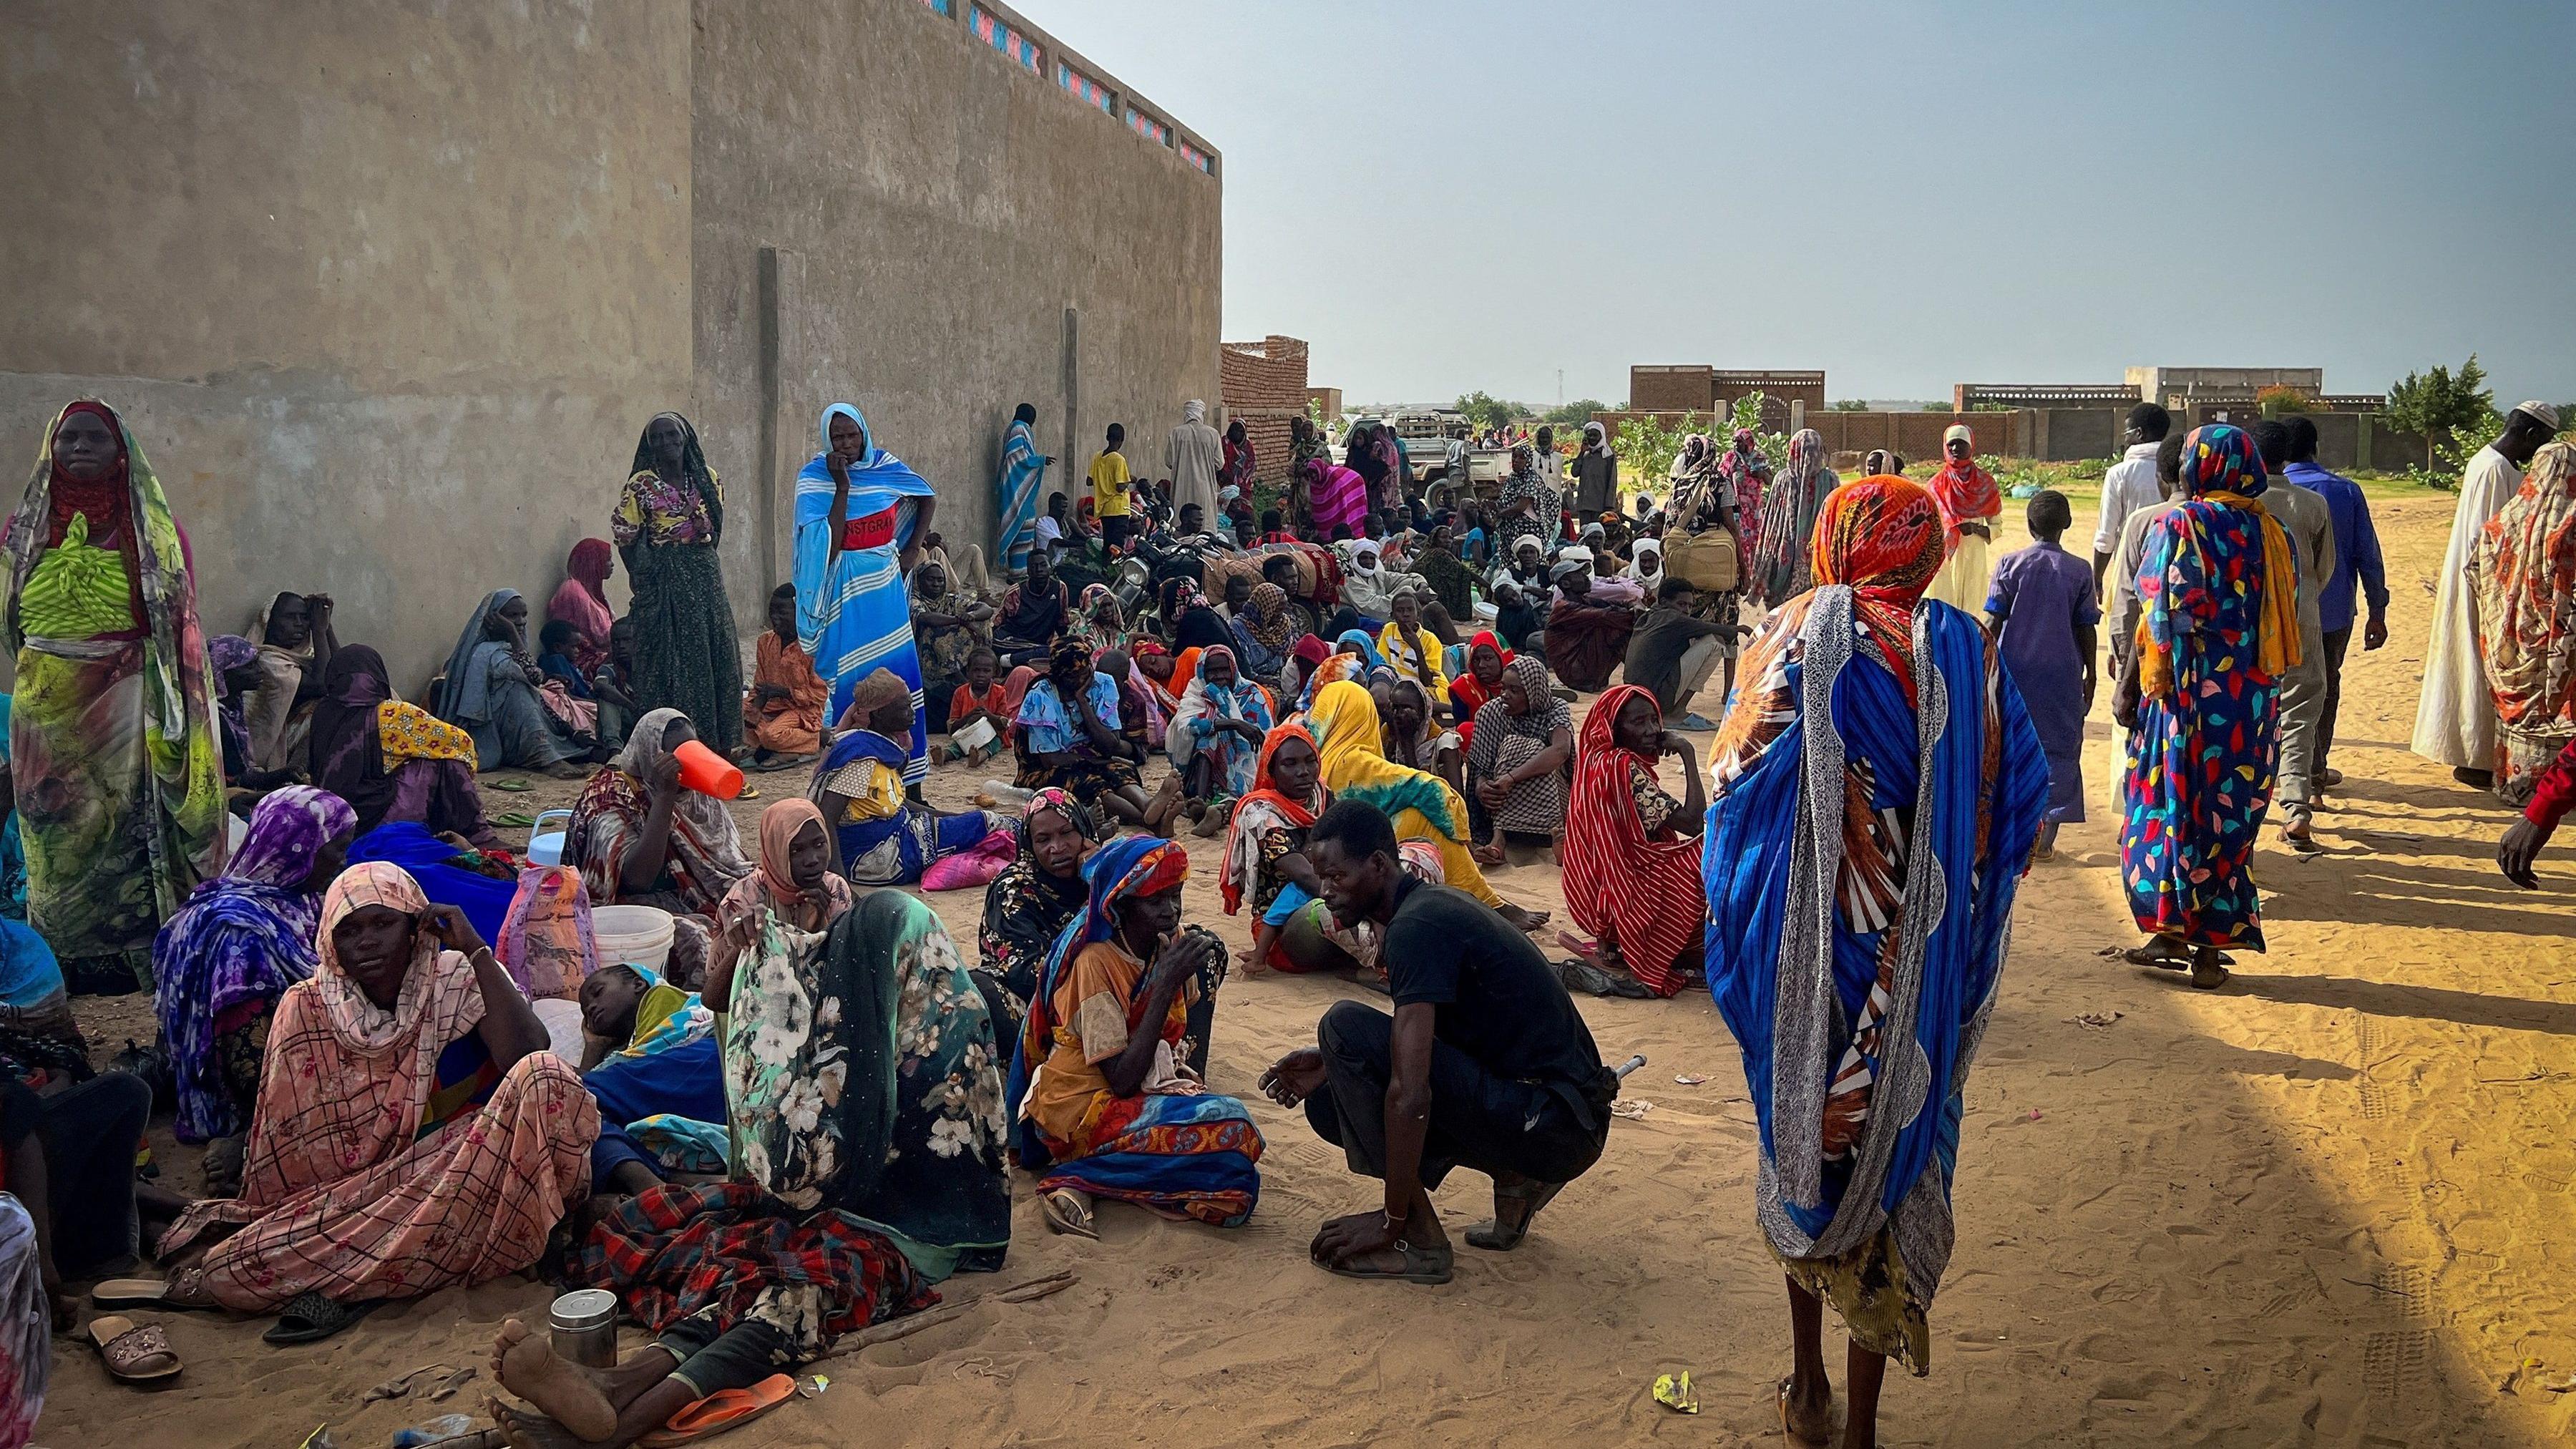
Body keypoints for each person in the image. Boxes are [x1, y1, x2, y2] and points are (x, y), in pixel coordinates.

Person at [1702, 475, 2048, 1445]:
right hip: (1915, 956)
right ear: (1927, 548)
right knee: (1893, 1151)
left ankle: (1806, 1387)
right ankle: (1860, 1424)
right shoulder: (1964, 648)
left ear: (1834, 539)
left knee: (1805, 1138)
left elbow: (1728, 792)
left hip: (1807, 950)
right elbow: (2017, 807)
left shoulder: (1786, 633)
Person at [501, 892, 1006, 1448]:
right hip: (850, 1209)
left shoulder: (950, 1037)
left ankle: (619, 1423)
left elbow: (934, 1165)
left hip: (919, 1235)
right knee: (757, 1270)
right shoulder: (881, 1014)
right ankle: (617, 1385)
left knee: (804, 1294)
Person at [155, 862, 595, 1322]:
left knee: (547, 1077)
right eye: (350, 930)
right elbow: (295, 1160)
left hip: (458, 1169)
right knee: (235, 1267)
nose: (367, 941)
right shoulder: (305, 1008)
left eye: (384, 923)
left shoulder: (454, 977)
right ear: (331, 942)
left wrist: (476, 950)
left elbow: (525, 1053)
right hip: (359, 1199)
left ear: (415, 929)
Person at [1257, 801, 1616, 1284]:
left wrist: (1390, 1220)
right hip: (1565, 1117)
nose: (1326, 893)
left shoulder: (1415, 928)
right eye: (1322, 879)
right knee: (1331, 1096)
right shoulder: (1428, 908)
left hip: (1555, 1123)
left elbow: (1412, 1093)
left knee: (1342, 1025)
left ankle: (1419, 1239)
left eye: (1337, 877)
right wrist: (1336, 1065)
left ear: (1378, 865)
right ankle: (1517, 1179)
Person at [4, 399, 226, 996]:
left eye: (94, 439)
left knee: (118, 827)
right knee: (52, 834)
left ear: (121, 451)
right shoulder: (23, 532)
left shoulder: (154, 534)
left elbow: (178, 622)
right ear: (51, 448)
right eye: (68, 438)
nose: (79, 448)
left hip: (123, 705)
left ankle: (126, 957)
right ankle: (62, 956)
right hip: (42, 709)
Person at [2112, 426, 2296, 987]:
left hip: (2189, 696)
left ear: (2201, 468)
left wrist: (2131, 683)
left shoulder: (2182, 524)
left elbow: (2160, 612)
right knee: (2227, 818)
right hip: (2251, 701)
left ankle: (2171, 926)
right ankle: (2205, 951)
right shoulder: (2273, 532)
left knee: (2174, 808)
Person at [1006, 836, 1262, 1237]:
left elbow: (1175, 1034)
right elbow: (1121, 1080)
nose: (1171, 911)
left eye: (1175, 896)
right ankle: (1074, 1177)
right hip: (1081, 1106)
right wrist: (1164, 985)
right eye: (1156, 901)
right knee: (1233, 1126)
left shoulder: (1167, 943)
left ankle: (1092, 1180)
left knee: (1235, 1175)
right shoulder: (1096, 963)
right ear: (1121, 906)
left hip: (1141, 1086)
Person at [150, 786, 356, 1192]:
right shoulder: (239, 929)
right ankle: (254, 1136)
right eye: (336, 848)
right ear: (299, 847)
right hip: (249, 1084)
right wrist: (262, 1119)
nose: (343, 860)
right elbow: (239, 1041)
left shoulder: (295, 899)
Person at [1309, 679, 1548, 931]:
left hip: (1333, 857)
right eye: (1394, 708)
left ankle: (1481, 898)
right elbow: (1430, 789)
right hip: (1355, 860)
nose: (1398, 715)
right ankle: (1484, 900)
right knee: (1421, 817)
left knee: (1415, 813)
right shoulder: (1353, 759)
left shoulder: (1318, 760)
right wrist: (1462, 830)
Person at [2416, 403, 2563, 788]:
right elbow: (2493, 538)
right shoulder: (2497, 469)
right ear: (2531, 436)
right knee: (2482, 669)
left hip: (2477, 581)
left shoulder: (2488, 461)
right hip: (2483, 586)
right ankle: (2478, 757)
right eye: (2541, 443)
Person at [795, 403, 937, 781]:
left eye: (851, 435)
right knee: (854, 676)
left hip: (886, 584)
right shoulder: (815, 478)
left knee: (899, 671)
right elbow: (831, 543)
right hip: (847, 586)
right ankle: (856, 769)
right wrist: (842, 485)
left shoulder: (884, 465)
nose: (845, 444)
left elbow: (926, 496)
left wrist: (911, 549)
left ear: (863, 433)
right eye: (837, 436)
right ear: (827, 438)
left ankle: (909, 775)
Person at [613, 412, 743, 758]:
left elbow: (715, 529)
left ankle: (717, 742)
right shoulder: (640, 485)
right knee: (668, 656)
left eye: (672, 435)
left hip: (704, 575)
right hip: (663, 577)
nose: (665, 443)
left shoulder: (707, 479)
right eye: (657, 437)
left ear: (686, 439)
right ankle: (669, 744)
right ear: (649, 444)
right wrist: (646, 579)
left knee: (715, 650)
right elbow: (626, 539)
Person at [1563, 685, 1706, 995]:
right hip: (1625, 891)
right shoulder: (1622, 768)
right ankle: (1667, 945)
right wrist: (1688, 754)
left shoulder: (1593, 762)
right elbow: (1695, 824)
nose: (1652, 731)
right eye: (1638, 722)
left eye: (1654, 720)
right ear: (1613, 728)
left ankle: (1618, 940)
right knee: (1710, 855)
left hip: (1592, 892)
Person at [1985, 490, 2099, 858]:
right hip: (2063, 675)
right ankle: (2045, 841)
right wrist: (2092, 674)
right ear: (2066, 524)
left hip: (2014, 673)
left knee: (2011, 744)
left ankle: (2014, 831)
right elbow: (2086, 628)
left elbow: (1992, 619)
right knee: (2060, 748)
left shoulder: (2009, 564)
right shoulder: (2081, 570)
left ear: (2030, 525)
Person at [811, 669, 1003, 886]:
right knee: (988, 824)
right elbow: (826, 817)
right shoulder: (861, 758)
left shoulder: (881, 747)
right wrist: (840, 883)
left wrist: (949, 816)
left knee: (976, 825)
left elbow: (898, 804)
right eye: (904, 708)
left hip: (893, 836)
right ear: (880, 714)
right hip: (876, 856)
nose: (912, 712)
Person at [570, 708, 754, 927]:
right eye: (675, 756)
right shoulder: (609, 796)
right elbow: (637, 879)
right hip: (632, 907)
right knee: (699, 936)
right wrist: (664, 797)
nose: (685, 764)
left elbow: (728, 865)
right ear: (650, 753)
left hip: (693, 895)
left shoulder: (696, 794)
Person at [2283, 416, 2387, 790]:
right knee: (2323, 687)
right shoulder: (2345, 491)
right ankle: (2313, 767)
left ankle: (2282, 769)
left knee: (2276, 688)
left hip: (2274, 614)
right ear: (2316, 448)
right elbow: (2367, 555)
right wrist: (2378, 610)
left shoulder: (2265, 493)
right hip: (2332, 612)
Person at [2469, 441, 2576, 804]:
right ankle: (2554, 797)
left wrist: (2506, 607)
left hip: (2510, 644)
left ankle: (2515, 785)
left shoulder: (2506, 519)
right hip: (2560, 644)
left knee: (2518, 711)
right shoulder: (2571, 522)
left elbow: (2476, 566)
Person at [308, 645, 498, 847]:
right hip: (373, 820)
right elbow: (461, 742)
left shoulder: (322, 711)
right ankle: (474, 832)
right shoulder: (390, 715)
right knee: (444, 759)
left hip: (330, 816)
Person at [2248, 421, 2336, 847]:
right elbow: (2323, 569)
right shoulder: (2312, 505)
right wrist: (2299, 603)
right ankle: (2297, 803)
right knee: (2299, 712)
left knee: (2246, 716)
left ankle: (2245, 810)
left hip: (2246, 626)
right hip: (2301, 620)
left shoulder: (2237, 505)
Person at [975, 789, 1098, 1043]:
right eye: (1043, 840)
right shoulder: (1013, 890)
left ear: (1084, 832)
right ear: (1030, 845)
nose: (1057, 848)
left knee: (1195, 950)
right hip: (1041, 1005)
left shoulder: (1103, 874)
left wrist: (1099, 879)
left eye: (1067, 833)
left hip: (1108, 990)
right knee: (981, 990)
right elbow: (1023, 973)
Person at [434, 589, 586, 778]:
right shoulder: (487, 654)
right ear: (494, 620)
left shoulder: (507, 650)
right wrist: (512, 632)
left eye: (524, 615)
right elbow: (533, 677)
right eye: (512, 616)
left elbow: (536, 682)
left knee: (535, 695)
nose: (521, 621)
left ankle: (557, 746)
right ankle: (543, 757)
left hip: (510, 722)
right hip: (487, 727)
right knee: (518, 690)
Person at [1221, 723, 1332, 972]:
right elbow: (1304, 875)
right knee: (1326, 911)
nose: (1303, 772)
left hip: (1328, 893)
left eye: (1310, 761)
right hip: (1281, 927)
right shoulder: (1261, 813)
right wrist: (1360, 900)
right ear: (1271, 769)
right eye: (1290, 764)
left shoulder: (1322, 797)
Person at [1017, 638, 1154, 827]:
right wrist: (1092, 761)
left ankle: (1150, 807)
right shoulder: (1040, 696)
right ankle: (1149, 821)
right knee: (1089, 783)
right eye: (1074, 677)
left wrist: (1083, 702)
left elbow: (1110, 745)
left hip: (1091, 758)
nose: (1082, 680)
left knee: (1120, 771)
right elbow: (1051, 760)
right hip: (1045, 770)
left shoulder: (1103, 683)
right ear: (1059, 677)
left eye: (1086, 672)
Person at [1467, 655, 1574, 859]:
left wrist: (1512, 778)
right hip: (1500, 803)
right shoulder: (1490, 713)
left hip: (1550, 798)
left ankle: (1556, 836)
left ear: (1533, 693)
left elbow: (1561, 750)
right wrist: (1483, 788)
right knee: (1510, 751)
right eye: (1503, 688)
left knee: (1526, 748)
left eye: (1514, 691)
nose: (1505, 695)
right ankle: (1499, 838)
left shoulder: (1554, 708)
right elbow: (1479, 766)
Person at [1166, 645, 1272, 833]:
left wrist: (1229, 728)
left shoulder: (1251, 694)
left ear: (1233, 669)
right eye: (1212, 671)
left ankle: (1215, 811)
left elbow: (1263, 741)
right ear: (1202, 672)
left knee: (1237, 799)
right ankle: (1199, 801)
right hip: (1201, 772)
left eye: (1224, 670)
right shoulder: (1196, 693)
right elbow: (1188, 726)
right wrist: (1234, 724)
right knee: (1209, 736)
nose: (1219, 676)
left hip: (1246, 767)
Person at [245, 590, 337, 775]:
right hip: (262, 750)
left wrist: (326, 626)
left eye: (304, 618)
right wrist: (319, 631)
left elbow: (344, 675)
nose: (299, 625)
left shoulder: (304, 658)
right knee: (330, 708)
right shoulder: (268, 662)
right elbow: (323, 685)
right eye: (290, 617)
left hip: (294, 739)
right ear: (269, 622)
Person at [1626, 578, 1736, 731]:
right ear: (1664, 601)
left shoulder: (1652, 615)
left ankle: (1674, 710)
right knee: (1715, 643)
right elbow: (1725, 631)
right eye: (1681, 604)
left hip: (1634, 699)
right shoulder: (1672, 618)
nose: (1686, 610)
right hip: (1652, 699)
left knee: (1699, 641)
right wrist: (1744, 630)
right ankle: (1676, 712)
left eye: (1690, 606)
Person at [2090, 403, 2173, 600]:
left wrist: (2097, 579)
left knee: (2128, 626)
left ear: (2139, 433)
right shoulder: (2177, 468)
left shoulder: (2120, 473)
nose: (2125, 439)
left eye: (2127, 432)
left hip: (2131, 567)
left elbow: (2106, 535)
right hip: (2171, 566)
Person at [746, 582, 830, 770]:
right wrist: (753, 711)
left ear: (798, 614)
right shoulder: (765, 642)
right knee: (734, 718)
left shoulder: (810, 647)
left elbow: (819, 696)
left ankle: (813, 740)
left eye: (782, 613)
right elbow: (760, 685)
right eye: (772, 612)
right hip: (770, 708)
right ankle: (781, 747)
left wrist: (785, 693)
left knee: (770, 736)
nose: (775, 618)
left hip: (801, 711)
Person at [1752, 429, 1835, 604]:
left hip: (1783, 550)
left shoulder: (1784, 478)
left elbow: (1770, 521)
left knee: (1783, 607)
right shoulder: (1829, 480)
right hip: (1817, 552)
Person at [1923, 424, 2001, 612]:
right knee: (1942, 608)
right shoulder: (1935, 485)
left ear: (1971, 446)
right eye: (1951, 445)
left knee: (1972, 609)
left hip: (1973, 554)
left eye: (1961, 444)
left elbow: (1997, 527)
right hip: (1943, 557)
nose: (1956, 449)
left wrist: (1975, 529)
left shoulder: (1985, 484)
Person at [911, 557, 992, 730]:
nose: (936, 584)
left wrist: (972, 616)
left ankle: (978, 664)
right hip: (926, 661)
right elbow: (926, 618)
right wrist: (958, 620)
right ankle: (955, 675)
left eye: (940, 580)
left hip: (954, 656)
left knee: (981, 622)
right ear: (919, 581)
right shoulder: (914, 600)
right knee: (933, 630)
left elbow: (987, 609)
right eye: (930, 579)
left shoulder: (950, 600)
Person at [1543, 557, 1636, 693]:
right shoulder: (1564, 608)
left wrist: (1632, 605)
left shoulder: (1584, 600)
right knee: (1612, 628)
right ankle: (1638, 678)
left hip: (1584, 667)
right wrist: (1638, 614)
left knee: (1614, 623)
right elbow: (1606, 615)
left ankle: (1637, 676)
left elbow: (1618, 605)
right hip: (1574, 673)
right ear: (1566, 583)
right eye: (1580, 575)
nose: (1586, 578)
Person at [1717, 429, 1777, 603]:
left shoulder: (1759, 458)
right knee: (1740, 541)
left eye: (1740, 441)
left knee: (1756, 543)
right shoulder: (1730, 459)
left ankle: (1755, 578)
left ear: (1748, 442)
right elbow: (1721, 478)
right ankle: (1741, 577)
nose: (1736, 445)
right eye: (1735, 441)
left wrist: (1762, 475)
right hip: (1736, 510)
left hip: (1755, 511)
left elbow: (1771, 480)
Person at [991, 547, 1073, 669]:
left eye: (1043, 565)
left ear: (1050, 568)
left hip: (1039, 643)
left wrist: (1065, 643)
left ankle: (1011, 660)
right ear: (1028, 570)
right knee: (1047, 652)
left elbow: (1062, 623)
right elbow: (997, 622)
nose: (1039, 570)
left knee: (1064, 651)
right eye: (1034, 566)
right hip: (1012, 640)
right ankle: (1007, 660)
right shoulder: (1017, 592)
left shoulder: (1060, 589)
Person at [995, 402, 1051, 574]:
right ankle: (1017, 572)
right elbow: (1019, 460)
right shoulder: (1019, 429)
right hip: (1016, 490)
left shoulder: (1016, 428)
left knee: (1024, 529)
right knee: (1020, 527)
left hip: (1020, 490)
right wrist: (1041, 460)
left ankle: (1023, 570)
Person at [548, 537, 618, 675]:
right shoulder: (573, 592)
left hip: (601, 658)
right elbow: (597, 638)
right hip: (581, 663)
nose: (612, 565)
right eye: (607, 560)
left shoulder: (593, 592)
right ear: (593, 563)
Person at [1375, 590, 1450, 706]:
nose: (1406, 614)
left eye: (1410, 610)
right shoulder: (1389, 630)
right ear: (1393, 615)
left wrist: (1418, 649)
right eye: (1400, 611)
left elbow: (1428, 681)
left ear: (1418, 613)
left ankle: (1445, 710)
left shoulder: (1430, 640)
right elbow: (1383, 666)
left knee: (1414, 702)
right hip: (1399, 683)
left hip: (1428, 686)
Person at [941, 646, 1010, 766]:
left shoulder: (1000, 692)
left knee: (993, 744)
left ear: (995, 672)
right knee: (956, 746)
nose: (981, 675)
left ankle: (978, 757)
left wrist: (987, 715)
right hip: (966, 735)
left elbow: (1003, 725)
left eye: (986, 671)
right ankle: (943, 756)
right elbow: (952, 728)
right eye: (976, 670)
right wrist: (969, 716)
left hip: (992, 736)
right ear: (968, 671)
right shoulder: (960, 692)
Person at [1495, 444, 1561, 557]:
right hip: (1510, 530)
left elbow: (1521, 506)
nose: (1516, 460)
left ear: (1529, 460)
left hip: (1527, 529)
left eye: (1522, 458)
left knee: (1526, 562)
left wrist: (1500, 514)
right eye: (1514, 457)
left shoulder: (1531, 479)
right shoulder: (1512, 478)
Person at [590, 615, 641, 755]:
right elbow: (600, 686)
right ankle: (615, 752)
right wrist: (631, 706)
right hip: (623, 728)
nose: (621, 647)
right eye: (616, 642)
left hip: (646, 727)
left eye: (627, 640)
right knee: (607, 696)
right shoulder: (610, 668)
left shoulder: (649, 669)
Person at [1168, 401, 1223, 526]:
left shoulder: (1176, 433)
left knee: (1181, 527)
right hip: (1205, 490)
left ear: (1186, 414)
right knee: (1204, 526)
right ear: (1201, 414)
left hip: (1181, 489)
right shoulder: (1212, 434)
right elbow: (1219, 464)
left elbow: (1169, 462)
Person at [1231, 581, 1295, 684]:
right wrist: (1259, 679)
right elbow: (1243, 666)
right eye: (1276, 610)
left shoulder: (1283, 624)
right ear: (1264, 608)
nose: (1281, 615)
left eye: (1283, 610)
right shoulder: (1240, 626)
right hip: (1253, 682)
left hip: (1281, 676)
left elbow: (1290, 655)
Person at [1087, 422, 1136, 552]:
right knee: (1117, 545)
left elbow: (1089, 481)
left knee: (1107, 543)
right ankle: (1114, 570)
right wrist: (1130, 479)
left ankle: (1105, 569)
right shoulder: (1119, 459)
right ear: (1121, 440)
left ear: (1107, 437)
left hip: (1105, 509)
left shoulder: (1097, 457)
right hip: (1119, 508)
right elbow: (1120, 487)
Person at [1572, 421, 1619, 519]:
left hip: (1600, 506)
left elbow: (1612, 482)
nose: (1592, 438)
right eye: (1590, 436)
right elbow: (1575, 473)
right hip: (1584, 505)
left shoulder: (1608, 456)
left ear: (1601, 436)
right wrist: (1581, 453)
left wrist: (1609, 505)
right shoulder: (1585, 455)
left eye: (1595, 435)